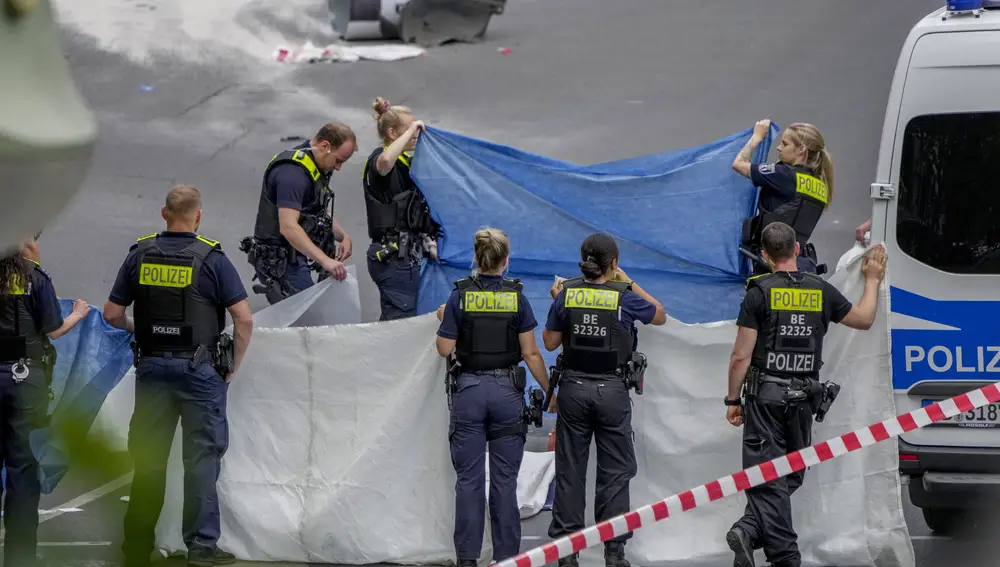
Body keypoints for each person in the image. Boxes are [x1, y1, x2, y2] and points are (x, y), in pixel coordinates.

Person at [103, 185, 254, 567]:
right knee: (201, 461)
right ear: (198, 216)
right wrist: (232, 366)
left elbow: (112, 314)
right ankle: (201, 548)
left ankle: (136, 549)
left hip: (152, 369)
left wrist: (142, 329)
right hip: (200, 372)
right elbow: (243, 318)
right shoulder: (212, 259)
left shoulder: (139, 255)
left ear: (163, 213)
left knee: (149, 461)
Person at [724, 221, 887, 567]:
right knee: (788, 474)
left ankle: (760, 538)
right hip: (803, 398)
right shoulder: (820, 289)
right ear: (797, 249)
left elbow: (740, 356)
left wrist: (733, 400)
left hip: (766, 398)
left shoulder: (758, 292)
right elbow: (864, 318)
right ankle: (762, 540)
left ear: (765, 255)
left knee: (774, 479)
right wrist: (872, 280)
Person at [542, 233, 667, 567]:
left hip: (573, 390)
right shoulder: (624, 296)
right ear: (614, 263)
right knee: (614, 472)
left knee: (570, 471)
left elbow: (550, 342)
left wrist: (559, 302)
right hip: (612, 392)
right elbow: (660, 314)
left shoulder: (567, 293)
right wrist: (628, 280)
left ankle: (567, 554)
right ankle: (614, 552)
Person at [434, 227, 549, 566]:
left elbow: (444, 348)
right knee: (504, 483)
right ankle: (506, 560)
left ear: (476, 257)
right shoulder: (517, 298)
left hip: (469, 392)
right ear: (506, 261)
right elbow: (531, 353)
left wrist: (445, 317)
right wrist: (550, 391)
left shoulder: (459, 296)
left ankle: (467, 560)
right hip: (506, 396)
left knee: (469, 482)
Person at [0, 237, 89, 567]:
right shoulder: (34, 278)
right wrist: (78, 314)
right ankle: (20, 556)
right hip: (25, 381)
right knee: (23, 468)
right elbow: (54, 330)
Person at [244, 123, 357, 305]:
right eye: (338, 160)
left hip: (296, 253)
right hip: (280, 262)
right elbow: (288, 226)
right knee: (309, 315)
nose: (338, 168)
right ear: (325, 146)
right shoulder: (292, 175)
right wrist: (325, 260)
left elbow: (318, 210)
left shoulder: (314, 163)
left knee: (315, 311)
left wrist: (343, 236)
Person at [363, 97, 440, 320]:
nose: (415, 134)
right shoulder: (379, 159)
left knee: (401, 319)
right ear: (392, 133)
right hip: (393, 258)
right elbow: (385, 161)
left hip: (408, 255)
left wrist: (428, 242)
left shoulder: (406, 166)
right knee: (398, 322)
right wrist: (412, 130)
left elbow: (412, 214)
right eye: (409, 129)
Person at [732, 120, 834, 275]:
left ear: (801, 149)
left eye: (785, 144)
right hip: (800, 265)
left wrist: (756, 137)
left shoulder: (784, 175)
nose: (779, 148)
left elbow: (738, 164)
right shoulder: (820, 185)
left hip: (771, 263)